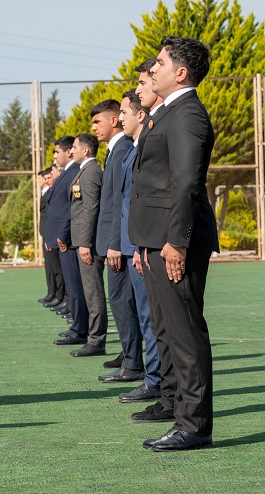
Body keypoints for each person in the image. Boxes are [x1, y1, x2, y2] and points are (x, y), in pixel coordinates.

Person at [129, 36, 218, 452]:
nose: (153, 69)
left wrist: (175, 243)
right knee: (168, 330)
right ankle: (179, 412)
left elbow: (186, 183)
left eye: (161, 63)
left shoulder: (187, 114)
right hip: (154, 240)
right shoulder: (165, 113)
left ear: (180, 72)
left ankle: (194, 426)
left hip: (173, 241)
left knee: (184, 333)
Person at [115, 90, 162, 404]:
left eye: (123, 112)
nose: (120, 119)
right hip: (133, 244)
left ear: (140, 114)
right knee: (146, 315)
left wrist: (137, 245)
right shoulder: (132, 149)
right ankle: (153, 377)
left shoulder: (143, 146)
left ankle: (155, 380)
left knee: (150, 316)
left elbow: (141, 202)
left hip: (139, 245)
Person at [92, 99, 142, 380]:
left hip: (120, 243)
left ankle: (133, 363)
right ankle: (129, 356)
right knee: (122, 302)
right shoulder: (115, 150)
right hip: (116, 241)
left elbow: (117, 204)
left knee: (123, 302)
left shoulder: (123, 147)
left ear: (113, 121)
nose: (94, 128)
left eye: (99, 121)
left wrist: (114, 244)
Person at [45, 136, 88, 343]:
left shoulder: (72, 173)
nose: (54, 157)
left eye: (56, 152)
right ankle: (77, 325)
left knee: (75, 286)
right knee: (72, 286)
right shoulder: (68, 173)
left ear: (68, 151)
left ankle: (80, 329)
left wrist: (62, 234)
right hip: (63, 239)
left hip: (69, 240)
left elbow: (71, 209)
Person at [68, 132, 107, 357]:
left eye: (74, 147)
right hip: (84, 241)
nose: (71, 150)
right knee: (90, 291)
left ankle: (96, 341)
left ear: (86, 150)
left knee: (93, 292)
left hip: (88, 244)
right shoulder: (85, 171)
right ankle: (95, 338)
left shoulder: (91, 172)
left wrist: (84, 243)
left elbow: (91, 208)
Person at [38, 167, 65, 308]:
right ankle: (53, 293)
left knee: (59, 270)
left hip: (55, 235)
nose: (47, 180)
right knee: (51, 268)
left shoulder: (53, 191)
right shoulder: (47, 192)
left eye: (49, 177)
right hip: (48, 234)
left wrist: (50, 236)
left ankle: (61, 297)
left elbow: (53, 215)